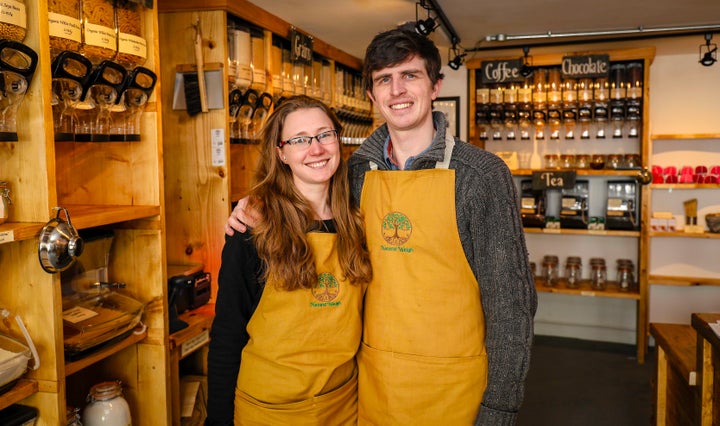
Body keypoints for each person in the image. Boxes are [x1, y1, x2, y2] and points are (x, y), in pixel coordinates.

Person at [227, 27, 537, 425]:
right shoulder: (351, 174)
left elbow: (511, 304)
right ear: (372, 96)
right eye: (384, 80)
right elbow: (299, 193)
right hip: (372, 389)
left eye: (410, 75)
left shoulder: (481, 175)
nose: (397, 91)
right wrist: (253, 205)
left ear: (435, 85)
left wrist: (500, 407)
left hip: (457, 389)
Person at [207, 95, 373, 425]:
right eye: (300, 140)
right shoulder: (252, 227)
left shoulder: (358, 218)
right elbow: (228, 334)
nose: (316, 149)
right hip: (270, 409)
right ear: (281, 152)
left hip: (343, 406)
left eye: (325, 135)